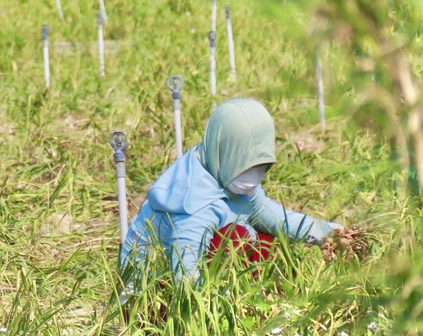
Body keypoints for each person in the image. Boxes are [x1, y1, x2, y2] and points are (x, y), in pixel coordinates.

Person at [119, 98, 342, 282]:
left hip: (195, 271)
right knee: (236, 239)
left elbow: (276, 218)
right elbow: (184, 272)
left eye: (260, 167)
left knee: (269, 241)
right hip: (154, 293)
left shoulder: (224, 171)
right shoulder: (194, 204)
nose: (252, 178)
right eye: (245, 167)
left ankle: (266, 305)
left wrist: (329, 233)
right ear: (224, 153)